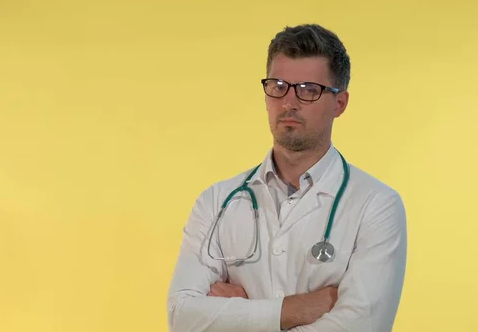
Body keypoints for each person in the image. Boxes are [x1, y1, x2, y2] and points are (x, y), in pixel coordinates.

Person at [166, 23, 407, 332]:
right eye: (278, 86)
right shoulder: (216, 201)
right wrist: (299, 308)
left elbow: (361, 326)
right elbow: (182, 317)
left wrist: (241, 313)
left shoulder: (376, 205)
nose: (289, 103)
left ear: (340, 103)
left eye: (308, 90)